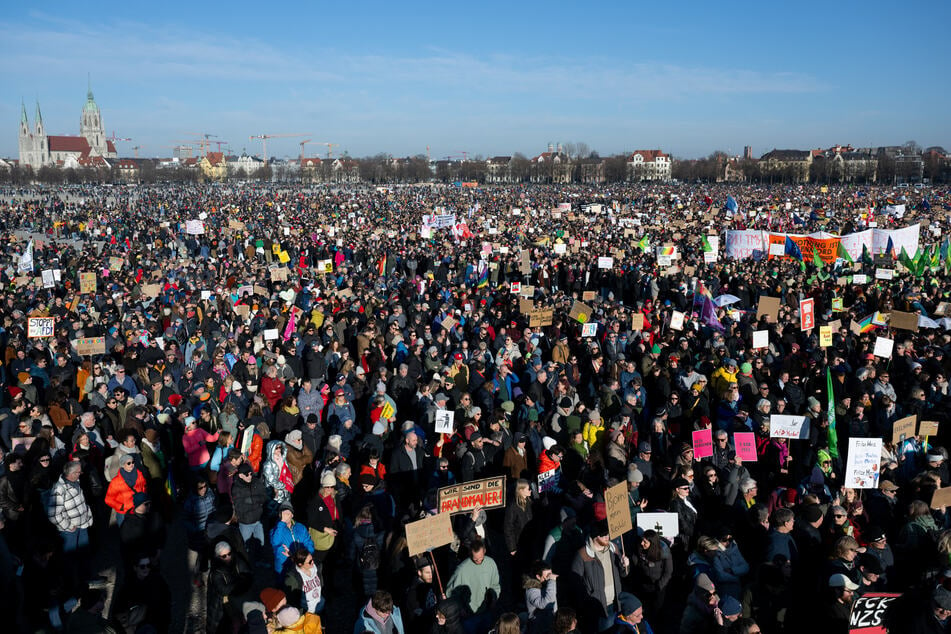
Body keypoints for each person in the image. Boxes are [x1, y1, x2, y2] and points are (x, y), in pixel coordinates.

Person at [571, 519, 631, 631]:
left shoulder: (614, 549)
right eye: (603, 535)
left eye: (608, 534)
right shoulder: (582, 555)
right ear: (595, 537)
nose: (607, 537)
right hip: (597, 606)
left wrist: (625, 566)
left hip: (616, 602)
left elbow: (624, 574)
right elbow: (576, 584)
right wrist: (587, 601)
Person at [445, 538, 501, 633]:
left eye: (481, 558)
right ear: (470, 554)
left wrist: (494, 597)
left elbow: (496, 585)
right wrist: (461, 609)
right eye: (475, 559)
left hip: (486, 611)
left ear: (484, 551)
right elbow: (450, 592)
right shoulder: (462, 570)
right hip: (469, 616)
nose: (478, 561)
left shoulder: (491, 563)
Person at [523, 560, 558, 633]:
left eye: (550, 574)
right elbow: (544, 604)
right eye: (547, 576)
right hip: (538, 629)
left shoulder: (546, 585)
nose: (550, 577)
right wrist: (551, 581)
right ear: (538, 576)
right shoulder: (531, 590)